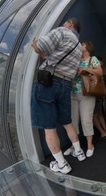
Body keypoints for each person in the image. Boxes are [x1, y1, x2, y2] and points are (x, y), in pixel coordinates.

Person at [30, 16, 86, 174]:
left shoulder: (63, 31)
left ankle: (61, 164)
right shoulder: (79, 48)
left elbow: (40, 44)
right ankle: (79, 152)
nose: (63, 24)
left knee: (49, 127)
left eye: (65, 23)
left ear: (70, 24)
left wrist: (36, 46)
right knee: (67, 122)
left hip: (49, 83)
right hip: (66, 84)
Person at [70, 41, 103, 157]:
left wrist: (85, 70)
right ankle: (74, 145)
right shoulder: (76, 59)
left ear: (87, 47)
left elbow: (99, 72)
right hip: (73, 94)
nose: (79, 45)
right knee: (73, 121)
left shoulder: (92, 59)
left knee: (86, 120)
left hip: (87, 94)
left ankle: (90, 145)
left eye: (82, 44)